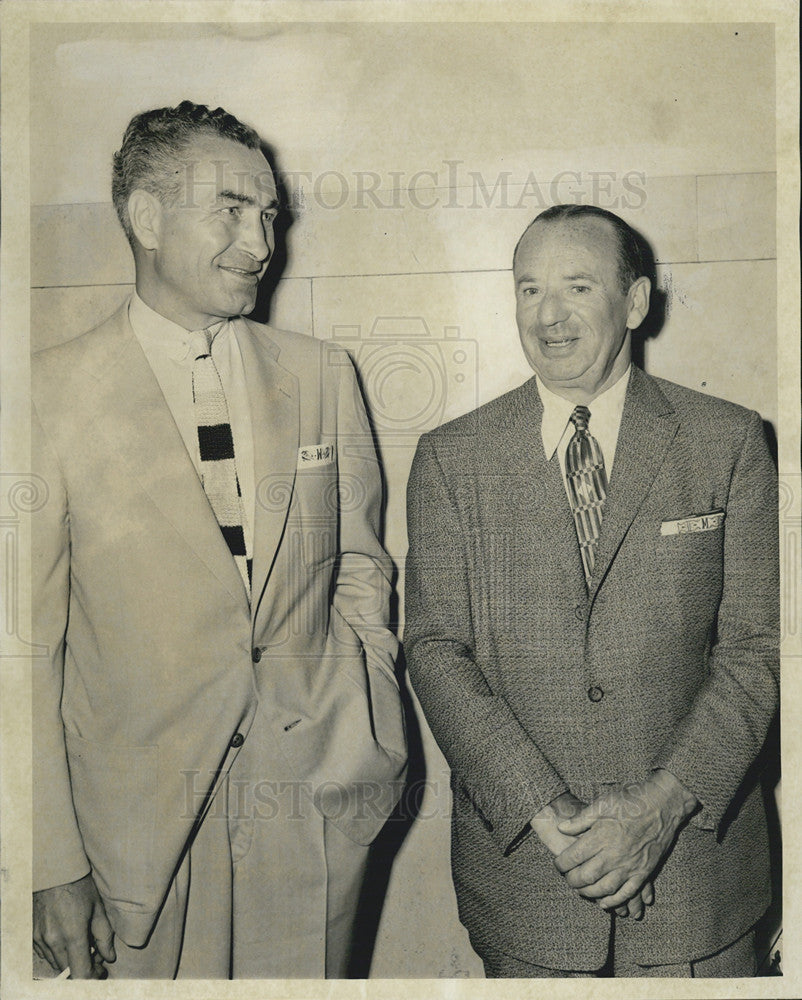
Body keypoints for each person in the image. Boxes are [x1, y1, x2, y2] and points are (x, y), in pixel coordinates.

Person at [31, 100, 407, 980]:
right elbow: (25, 651)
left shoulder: (321, 376)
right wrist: (52, 863)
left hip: (311, 808)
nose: (261, 242)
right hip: (133, 845)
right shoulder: (46, 395)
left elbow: (360, 561)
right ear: (148, 218)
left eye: (270, 213)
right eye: (231, 209)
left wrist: (365, 706)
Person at [404, 203, 778, 978]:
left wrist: (658, 809)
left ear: (635, 302)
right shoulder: (451, 459)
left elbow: (760, 649)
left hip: (697, 889)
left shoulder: (730, 442)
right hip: (532, 885)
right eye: (529, 288)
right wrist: (552, 818)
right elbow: (437, 653)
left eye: (577, 286)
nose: (549, 316)